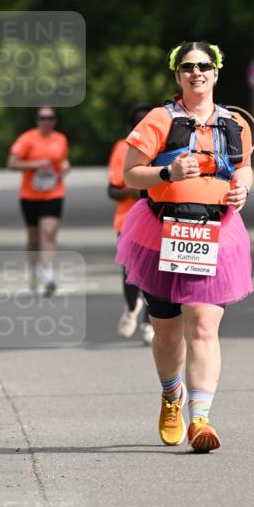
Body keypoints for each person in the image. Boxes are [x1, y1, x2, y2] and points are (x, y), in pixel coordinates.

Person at [116, 41, 253, 453]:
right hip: (161, 234)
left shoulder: (234, 123)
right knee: (167, 333)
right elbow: (130, 174)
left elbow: (244, 168)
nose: (197, 73)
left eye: (204, 66)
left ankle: (200, 420)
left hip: (216, 234)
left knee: (204, 325)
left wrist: (242, 189)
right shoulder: (160, 119)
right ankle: (171, 394)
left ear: (216, 72)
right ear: (178, 75)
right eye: (189, 67)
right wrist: (167, 172)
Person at [7, 107, 70, 296]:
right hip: (30, 195)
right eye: (43, 118)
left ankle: (49, 275)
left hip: (53, 193)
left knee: (48, 233)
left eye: (50, 118)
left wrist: (65, 168)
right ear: (37, 120)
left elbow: (64, 161)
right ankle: (34, 273)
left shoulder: (60, 139)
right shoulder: (27, 139)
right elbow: (11, 163)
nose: (46, 121)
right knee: (33, 238)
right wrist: (35, 164)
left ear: (55, 121)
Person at [107, 103, 154, 344]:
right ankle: (131, 306)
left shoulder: (166, 144)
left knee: (154, 272)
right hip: (127, 220)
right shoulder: (122, 148)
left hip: (158, 219)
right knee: (130, 271)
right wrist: (136, 189)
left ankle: (148, 322)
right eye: (138, 122)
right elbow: (113, 189)